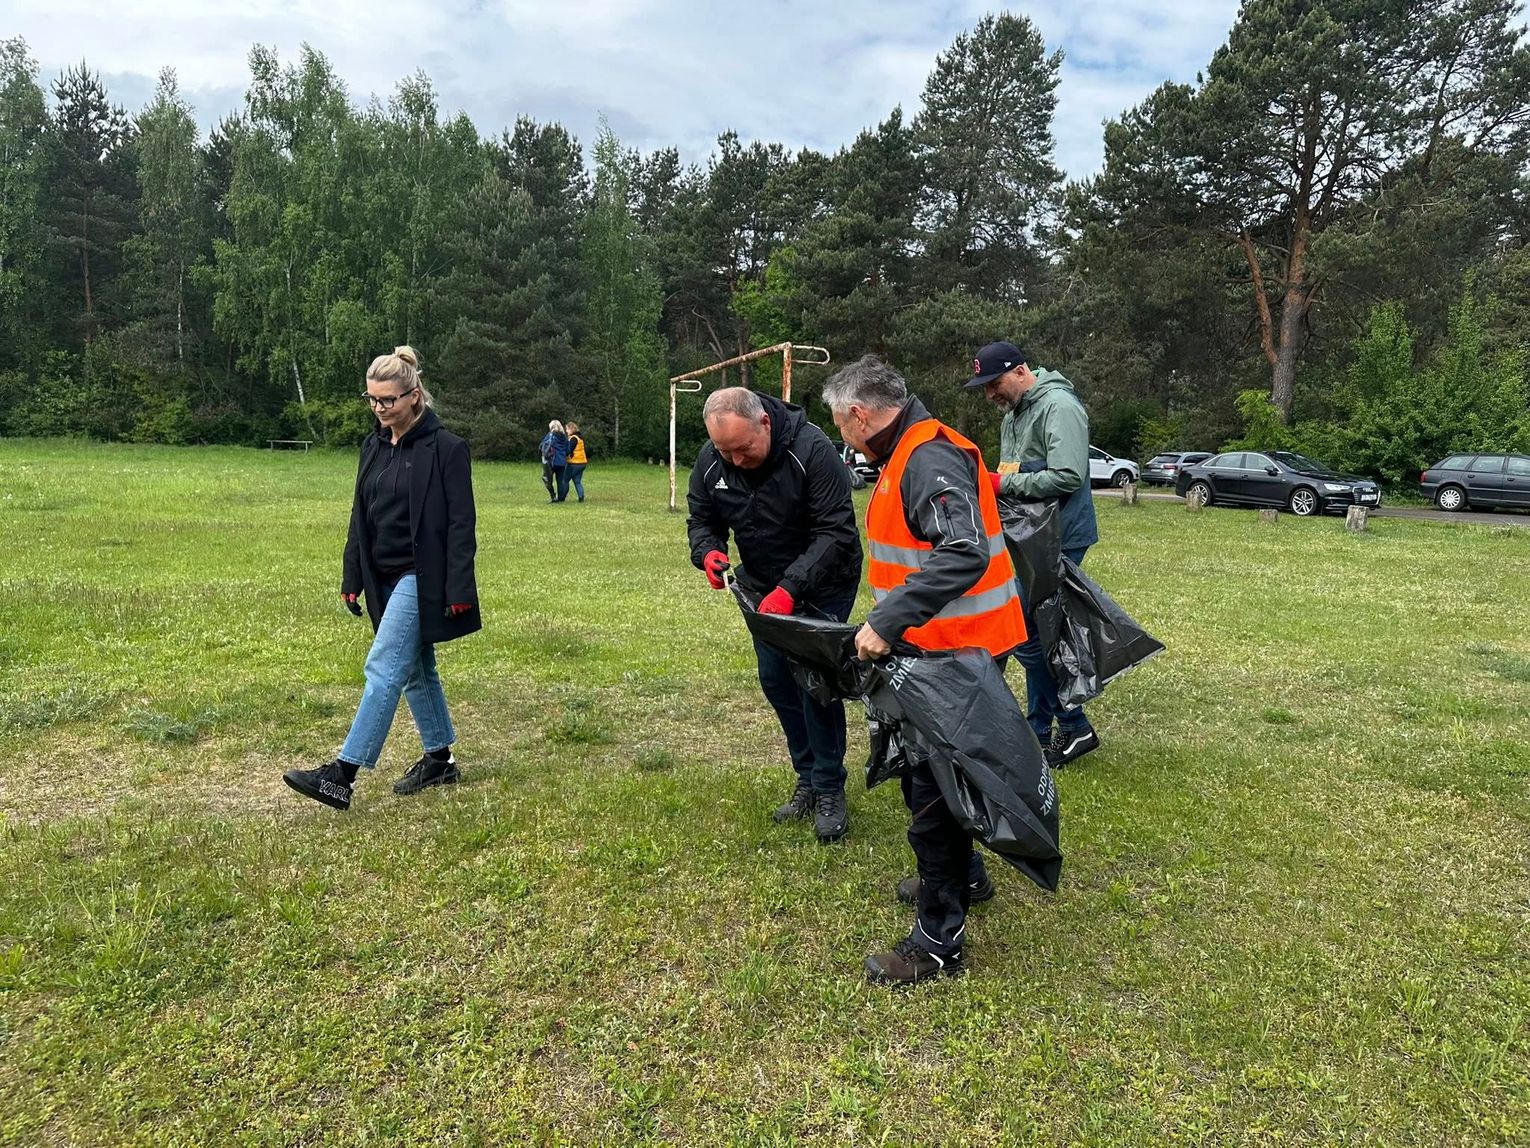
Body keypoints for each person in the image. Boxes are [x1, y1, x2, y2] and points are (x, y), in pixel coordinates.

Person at [825, 354, 1026, 986]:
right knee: (936, 779)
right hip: (943, 647)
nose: (840, 434)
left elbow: (962, 551)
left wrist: (887, 622)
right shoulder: (907, 450)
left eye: (839, 423)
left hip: (956, 653)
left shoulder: (925, 457)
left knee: (933, 790)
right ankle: (968, 877)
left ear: (859, 415)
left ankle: (938, 943)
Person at [283, 347, 481, 811]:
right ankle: (440, 761)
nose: (379, 408)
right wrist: (352, 575)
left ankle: (342, 776)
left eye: (388, 399)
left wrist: (458, 588)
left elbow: (461, 525)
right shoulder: (372, 447)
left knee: (384, 666)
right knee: (415, 669)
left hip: (422, 577)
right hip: (381, 574)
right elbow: (361, 516)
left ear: (414, 396)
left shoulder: (447, 449)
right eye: (372, 399)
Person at [686, 386, 863, 844]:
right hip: (762, 585)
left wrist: (791, 588)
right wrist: (707, 552)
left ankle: (830, 787)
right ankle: (807, 778)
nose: (734, 460)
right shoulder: (713, 458)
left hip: (825, 581)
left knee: (815, 684)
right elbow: (702, 518)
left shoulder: (813, 451)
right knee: (777, 680)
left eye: (743, 449)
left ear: (764, 423)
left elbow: (836, 532)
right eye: (725, 451)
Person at [968, 341, 1101, 768]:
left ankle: (1072, 726)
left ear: (1021, 371)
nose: (991, 394)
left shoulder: (1058, 406)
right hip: (1029, 535)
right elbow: (1015, 469)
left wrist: (1001, 485)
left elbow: (1067, 475)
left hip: (1060, 535)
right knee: (1037, 632)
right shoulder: (1014, 413)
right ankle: (1042, 729)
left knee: (1033, 633)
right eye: (985, 387)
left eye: (995, 383)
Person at [539, 420, 570, 503]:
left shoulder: (550, 435)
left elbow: (541, 446)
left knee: (547, 479)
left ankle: (553, 496)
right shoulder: (564, 437)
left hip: (551, 461)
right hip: (562, 462)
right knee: (560, 481)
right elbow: (568, 450)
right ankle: (561, 498)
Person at [564, 421, 588, 502]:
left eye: (567, 429)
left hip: (574, 463)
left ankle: (562, 496)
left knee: (565, 480)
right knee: (577, 481)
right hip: (582, 463)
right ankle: (581, 497)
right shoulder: (580, 438)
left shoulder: (573, 438)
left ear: (571, 429)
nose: (566, 431)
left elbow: (569, 450)